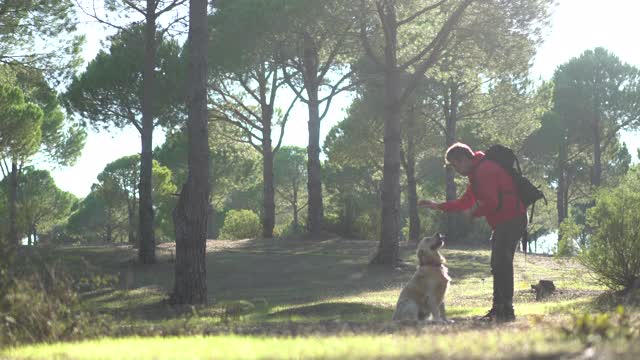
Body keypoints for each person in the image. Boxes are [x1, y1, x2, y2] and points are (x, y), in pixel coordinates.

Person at [418, 142, 527, 322]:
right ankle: (499, 309)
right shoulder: (477, 172)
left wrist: (474, 213)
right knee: (499, 264)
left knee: (502, 264)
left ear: (463, 159)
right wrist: (437, 206)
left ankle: (505, 311)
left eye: (455, 164)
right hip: (506, 221)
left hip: (511, 219)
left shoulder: (484, 171)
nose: (455, 169)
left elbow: (492, 202)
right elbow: (464, 202)